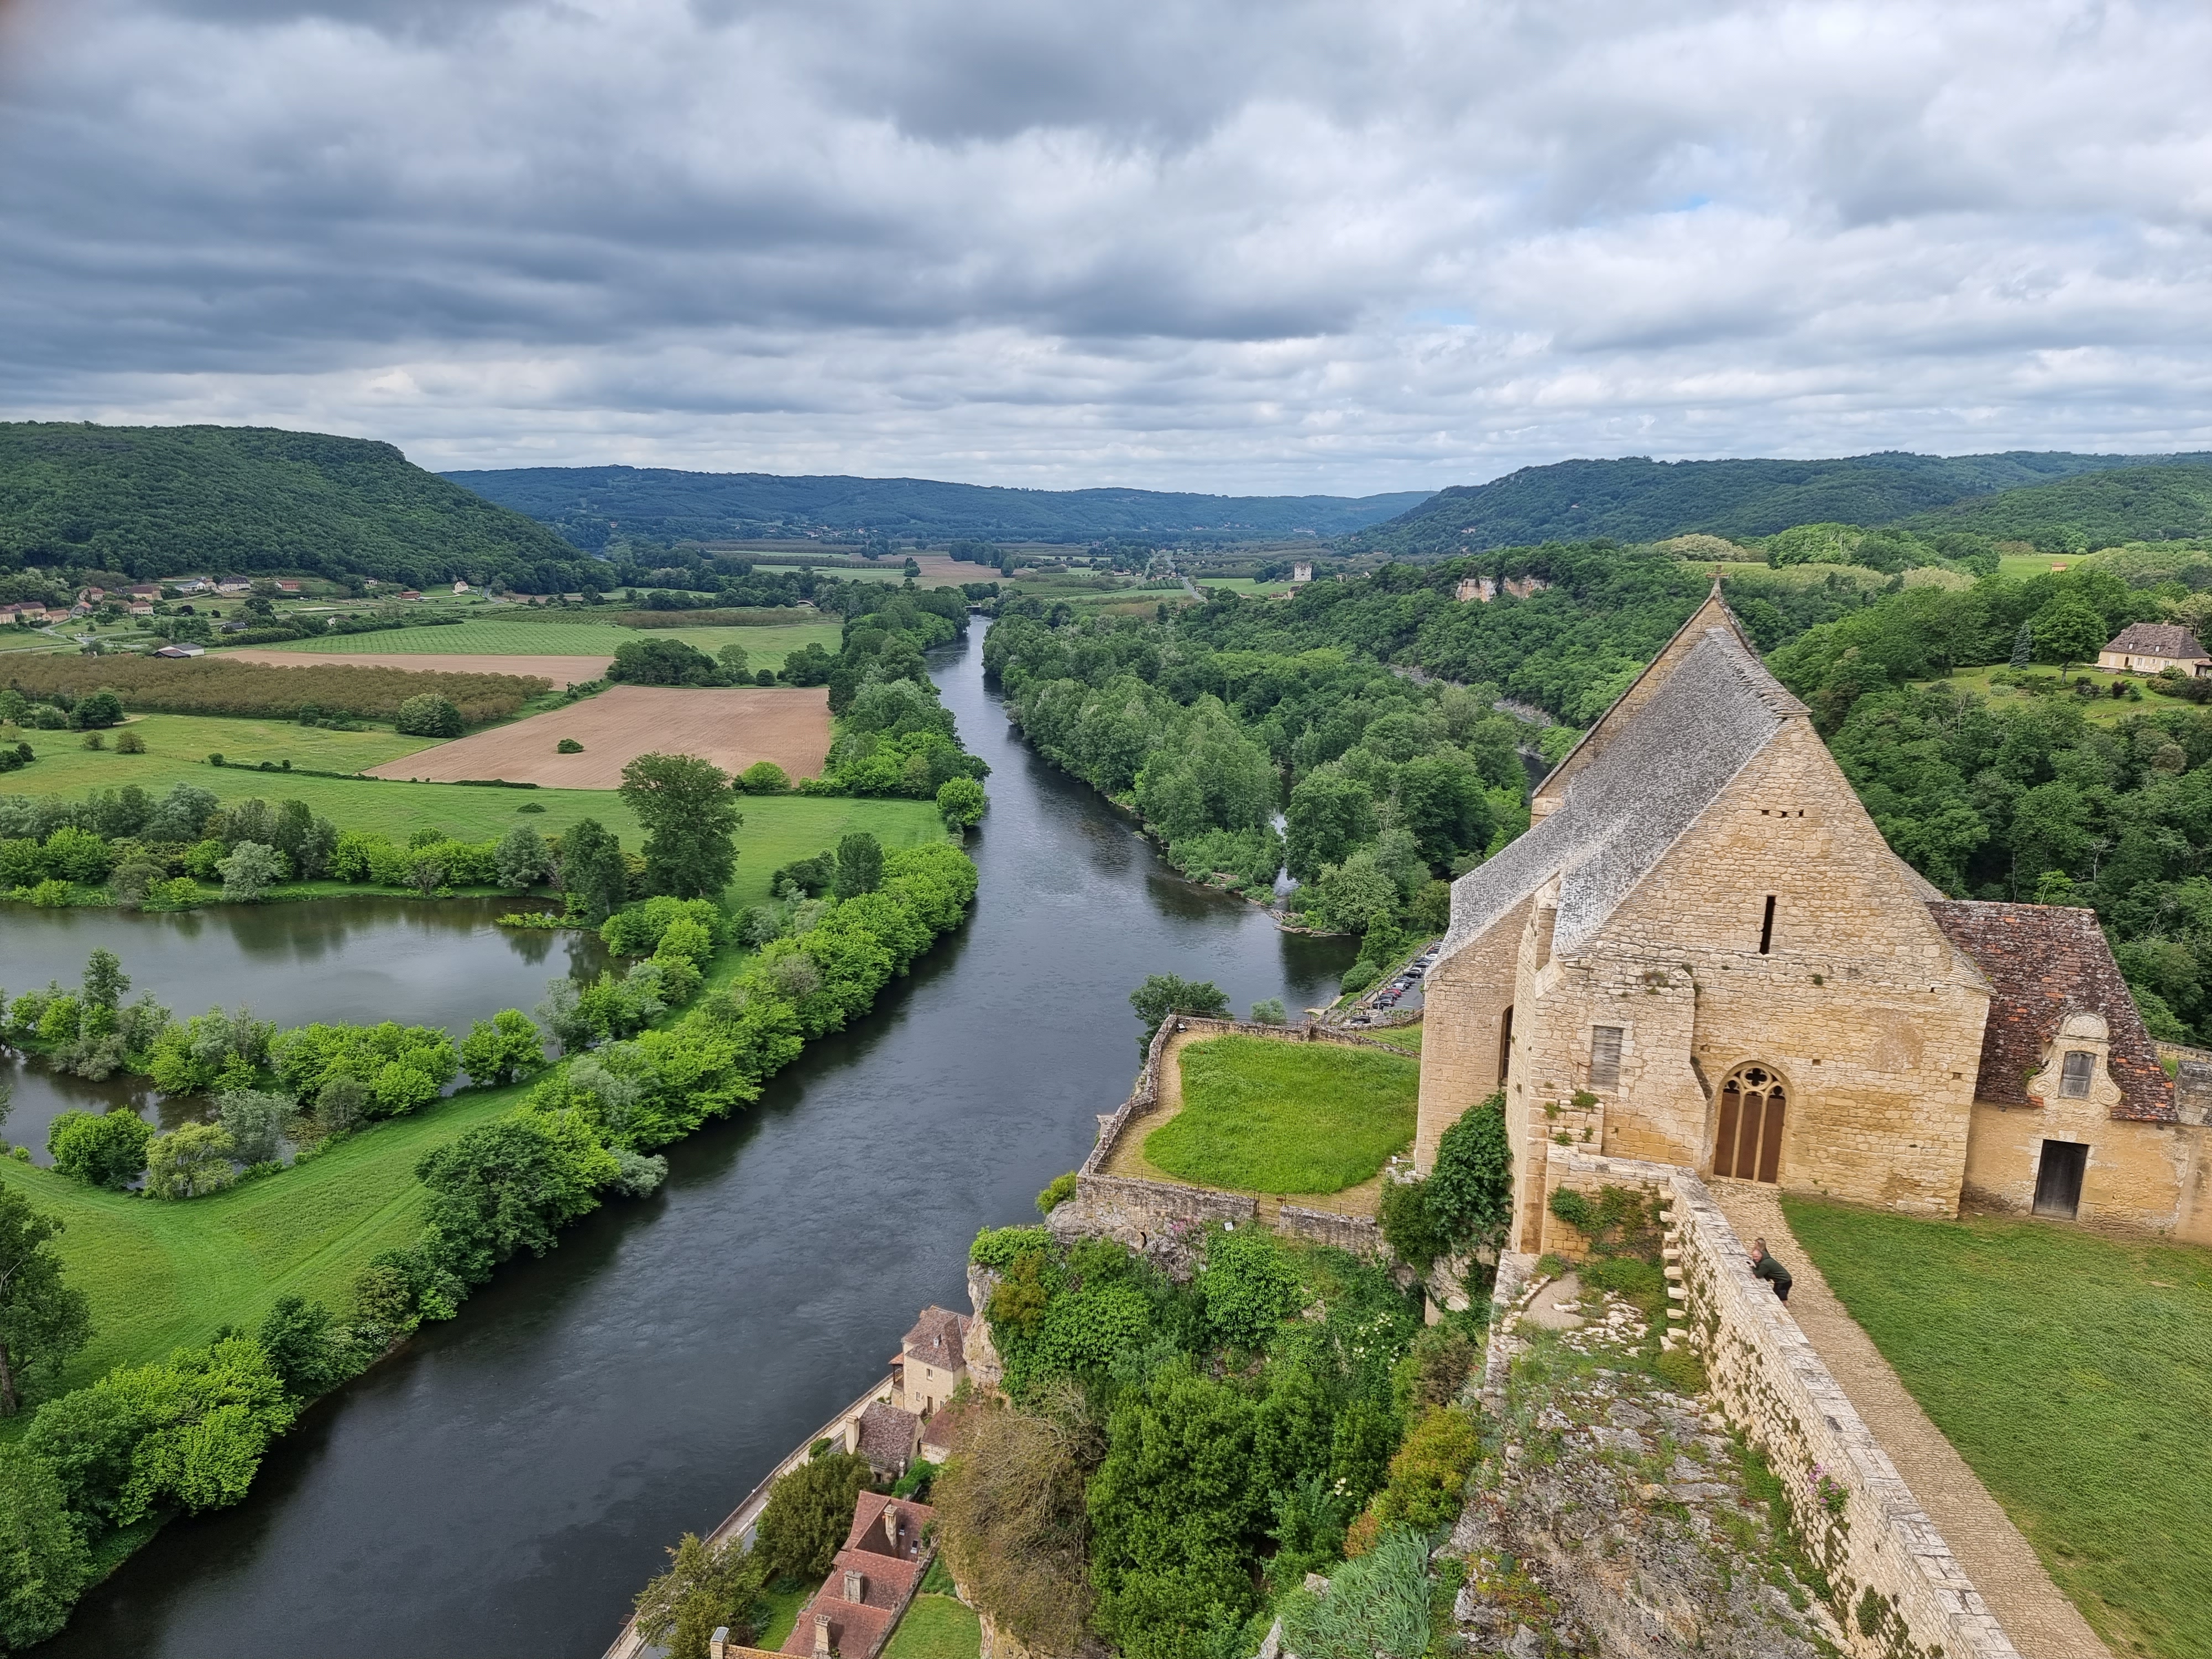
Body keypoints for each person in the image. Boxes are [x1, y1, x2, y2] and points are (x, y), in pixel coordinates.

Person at [1750, 1238, 1792, 1302]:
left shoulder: (1765, 1263)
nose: (1755, 1258)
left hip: (1784, 1281)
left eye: (1756, 1257)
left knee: (1780, 1296)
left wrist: (1753, 1267)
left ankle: (1784, 1307)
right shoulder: (1765, 1257)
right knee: (1777, 1294)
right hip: (1783, 1280)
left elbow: (1758, 1275)